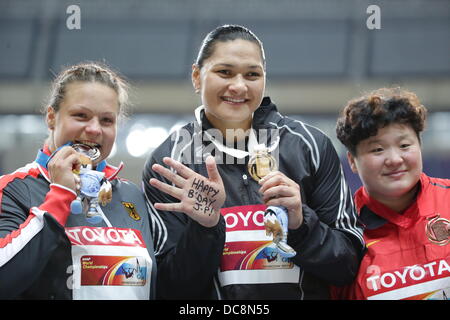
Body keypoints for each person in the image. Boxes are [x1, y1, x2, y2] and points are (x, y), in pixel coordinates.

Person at [143, 24, 365, 299]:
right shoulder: (171, 161)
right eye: (224, 72)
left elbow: (348, 267)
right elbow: (170, 289)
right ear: (197, 76)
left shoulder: (310, 146)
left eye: (252, 74)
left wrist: (300, 223)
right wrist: (205, 228)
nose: (238, 86)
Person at [0, 62, 157, 299]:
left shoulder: (131, 195)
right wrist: (60, 194)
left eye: (106, 120)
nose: (94, 129)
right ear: (51, 118)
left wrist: (204, 228)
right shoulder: (15, 189)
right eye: (81, 116)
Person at [335, 87, 450, 300]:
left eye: (404, 145)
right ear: (352, 161)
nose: (395, 159)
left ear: (420, 145)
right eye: (377, 149)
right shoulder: (342, 233)